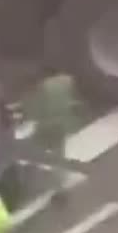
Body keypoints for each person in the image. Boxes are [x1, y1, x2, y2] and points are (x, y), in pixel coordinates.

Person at [25, 69, 80, 204]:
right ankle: (60, 190)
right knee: (58, 159)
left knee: (33, 152)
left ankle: (29, 182)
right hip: (60, 125)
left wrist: (31, 115)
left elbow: (36, 109)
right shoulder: (67, 80)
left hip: (45, 126)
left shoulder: (42, 86)